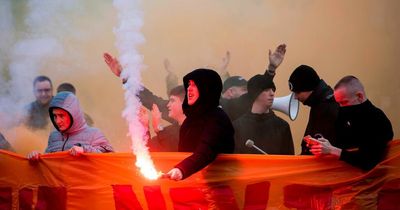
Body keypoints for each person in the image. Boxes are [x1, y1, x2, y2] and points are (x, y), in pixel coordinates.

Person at [308, 76, 393, 170]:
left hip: (370, 180)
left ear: (359, 96)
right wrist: (325, 145)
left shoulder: (377, 119)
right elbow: (342, 144)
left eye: (344, 102)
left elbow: (369, 161)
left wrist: (332, 150)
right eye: (338, 103)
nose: (341, 107)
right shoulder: (344, 112)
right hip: (343, 174)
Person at [164, 69, 234, 180]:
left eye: (195, 85)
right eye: (189, 85)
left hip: (217, 187)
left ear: (207, 89)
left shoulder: (217, 118)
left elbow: (206, 151)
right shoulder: (190, 120)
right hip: (190, 186)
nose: (189, 89)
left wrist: (182, 169)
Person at [27, 91, 114, 160]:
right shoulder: (54, 136)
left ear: (74, 114)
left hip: (84, 183)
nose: (57, 121)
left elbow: (111, 159)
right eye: (55, 116)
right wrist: (38, 157)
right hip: (55, 183)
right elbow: (49, 164)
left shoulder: (94, 134)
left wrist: (85, 150)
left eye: (61, 116)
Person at [220, 44, 287, 121]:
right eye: (244, 89)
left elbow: (258, 89)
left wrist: (271, 68)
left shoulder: (239, 107)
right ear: (231, 92)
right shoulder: (226, 105)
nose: (249, 92)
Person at [233, 75, 294, 155]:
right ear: (255, 93)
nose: (272, 93)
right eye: (266, 90)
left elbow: (289, 160)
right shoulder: (237, 126)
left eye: (273, 90)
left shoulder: (282, 126)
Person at [288, 65, 339, 155]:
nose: (295, 97)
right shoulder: (319, 104)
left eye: (298, 92)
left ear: (309, 87)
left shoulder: (328, 106)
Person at [147, 85, 186, 152]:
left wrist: (159, 129)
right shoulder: (168, 130)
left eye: (172, 101)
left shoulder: (197, 129)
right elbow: (151, 150)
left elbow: (176, 150)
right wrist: (144, 128)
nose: (168, 105)